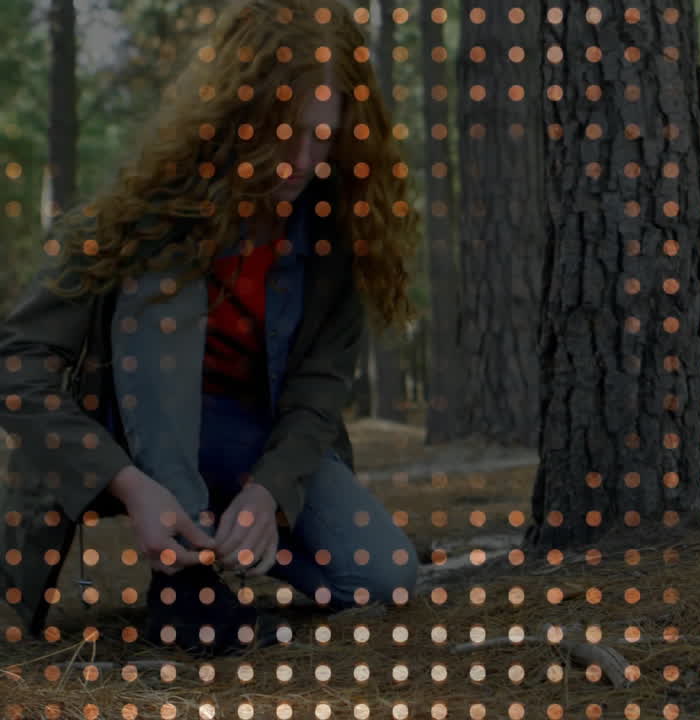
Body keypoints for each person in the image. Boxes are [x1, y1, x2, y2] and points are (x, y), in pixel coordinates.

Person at [0, 0, 421, 657]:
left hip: (243, 441)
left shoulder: (338, 232)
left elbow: (318, 392)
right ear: (236, 117)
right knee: (159, 281)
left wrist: (268, 494)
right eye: (283, 134)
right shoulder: (141, 210)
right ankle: (185, 584)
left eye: (321, 135)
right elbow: (17, 365)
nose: (301, 161)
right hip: (121, 437)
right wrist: (128, 484)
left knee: (382, 576)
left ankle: (207, 552)